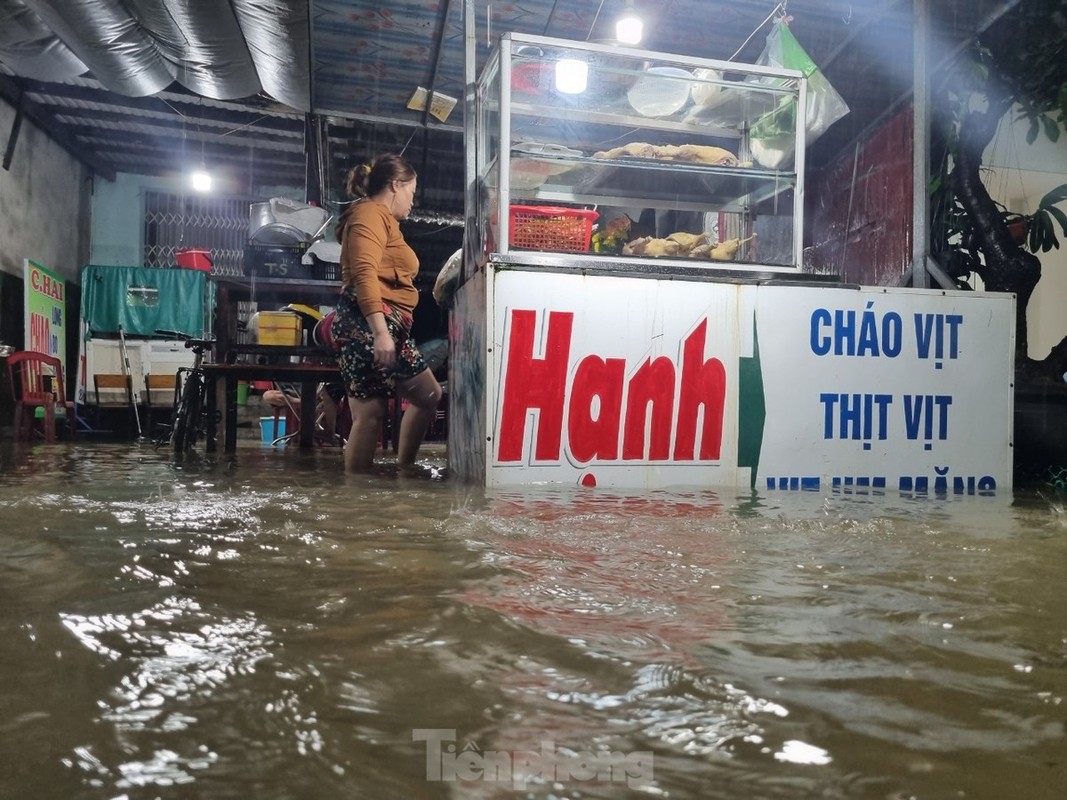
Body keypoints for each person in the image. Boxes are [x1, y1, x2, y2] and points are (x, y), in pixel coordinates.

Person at [331, 154, 442, 471]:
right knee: (370, 411)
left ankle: (404, 471)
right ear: (396, 185)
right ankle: (358, 499)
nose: (412, 201)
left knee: (429, 395)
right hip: (365, 323)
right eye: (411, 191)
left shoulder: (384, 220)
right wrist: (379, 331)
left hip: (391, 326)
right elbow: (365, 273)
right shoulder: (369, 213)